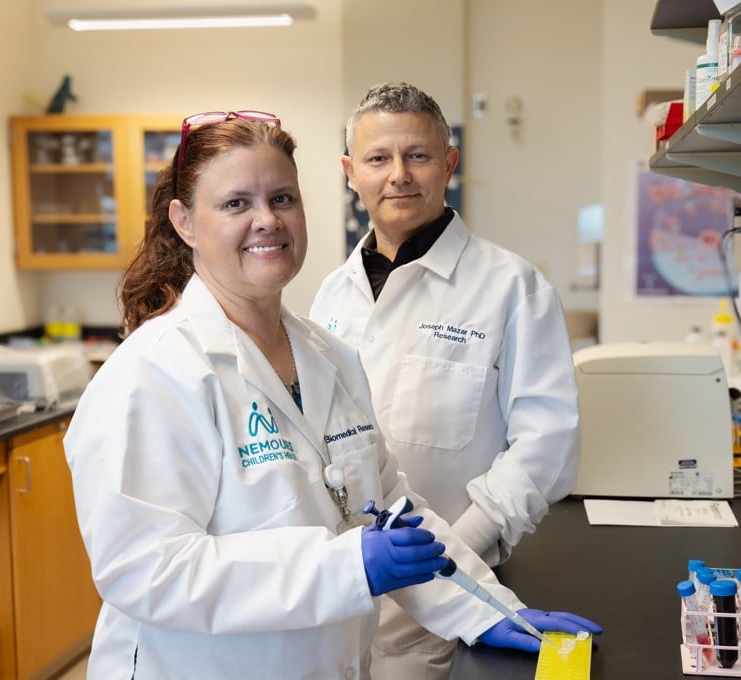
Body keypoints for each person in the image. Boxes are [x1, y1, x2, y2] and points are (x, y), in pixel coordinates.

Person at [63, 111, 600, 678]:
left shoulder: (331, 357)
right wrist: (348, 567)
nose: (267, 220)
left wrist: (486, 609)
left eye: (282, 199)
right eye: (236, 203)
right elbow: (147, 570)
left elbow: (392, 510)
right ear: (185, 222)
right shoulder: (152, 373)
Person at [310, 82, 582, 678]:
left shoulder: (512, 287)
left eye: (418, 155)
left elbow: (547, 446)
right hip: (343, 588)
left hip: (457, 588)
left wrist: (451, 551)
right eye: (378, 158)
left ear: (449, 164)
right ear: (350, 173)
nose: (399, 175)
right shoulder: (331, 295)